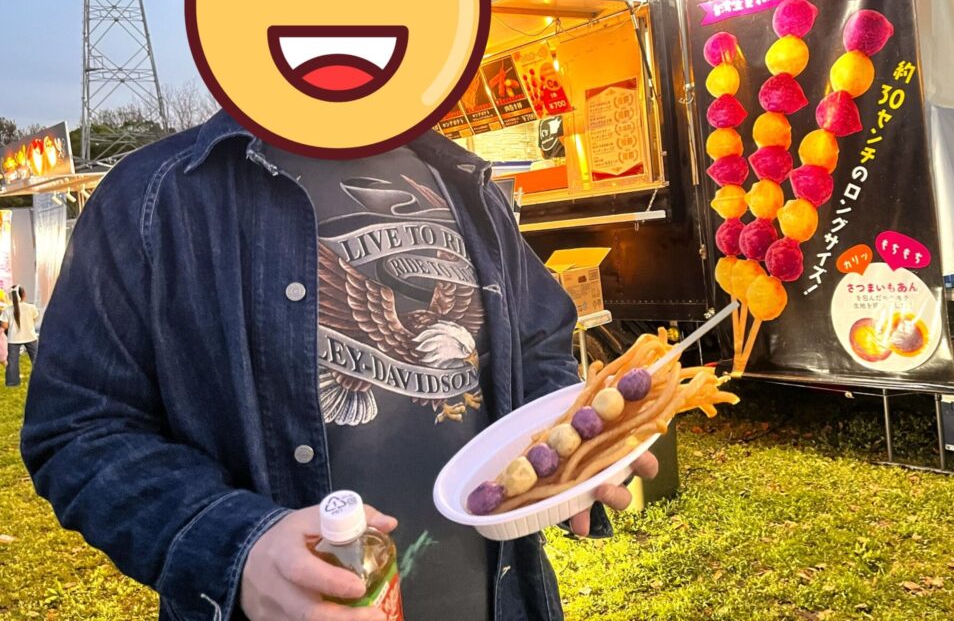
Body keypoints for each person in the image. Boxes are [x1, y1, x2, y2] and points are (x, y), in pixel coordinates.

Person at [21, 111, 658, 621]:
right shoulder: (154, 196)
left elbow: (538, 341)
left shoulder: (464, 181)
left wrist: (571, 444)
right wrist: (240, 548)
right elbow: (79, 427)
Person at [3, 284, 38, 387]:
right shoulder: (31, 307)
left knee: (12, 361)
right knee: (36, 358)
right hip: (30, 336)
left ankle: (12, 382)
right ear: (24, 295)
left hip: (13, 339)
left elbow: (4, 325)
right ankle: (41, 379)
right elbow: (34, 319)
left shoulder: (7, 310)